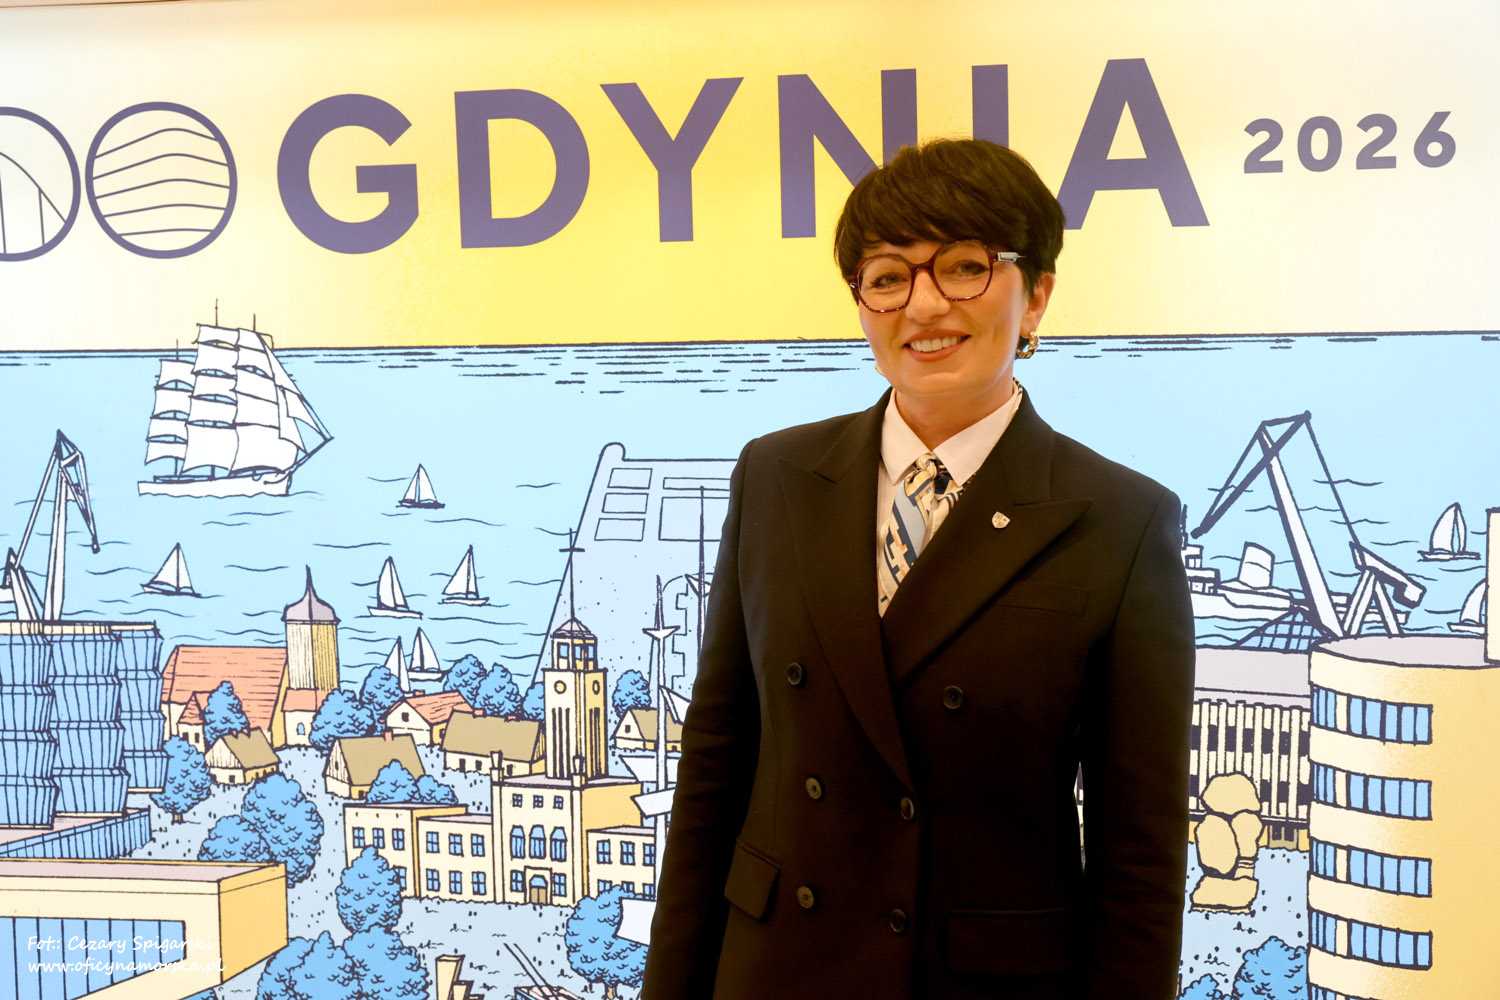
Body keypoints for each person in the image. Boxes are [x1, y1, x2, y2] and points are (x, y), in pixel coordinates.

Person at [643, 138, 1194, 999]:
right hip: (776, 967)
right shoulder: (776, 475)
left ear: (1036, 295)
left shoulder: (1122, 520)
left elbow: (1140, 854)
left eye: (966, 267)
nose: (924, 305)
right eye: (888, 276)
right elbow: (717, 761)